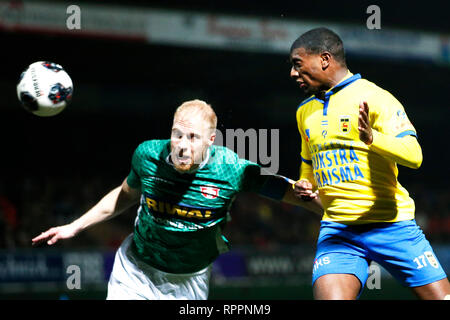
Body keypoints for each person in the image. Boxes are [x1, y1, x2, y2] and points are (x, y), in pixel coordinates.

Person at [32, 99, 322, 300]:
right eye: (177, 134)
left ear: (211, 141)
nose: (182, 145)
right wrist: (76, 226)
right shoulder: (148, 156)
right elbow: (123, 197)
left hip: (189, 280)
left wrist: (331, 212)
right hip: (136, 269)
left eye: (193, 137)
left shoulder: (231, 169)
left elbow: (288, 191)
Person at [289, 27, 450, 300]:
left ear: (324, 59)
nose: (293, 73)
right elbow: (309, 165)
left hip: (392, 225)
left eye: (297, 64)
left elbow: (414, 155)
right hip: (338, 231)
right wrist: (306, 183)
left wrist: (373, 139)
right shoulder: (304, 111)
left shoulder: (376, 98)